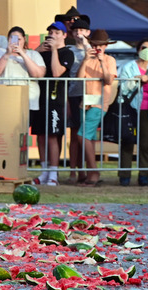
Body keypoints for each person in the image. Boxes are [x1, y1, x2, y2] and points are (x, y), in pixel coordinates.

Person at [117, 39, 148, 187]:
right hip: (130, 108)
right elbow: (123, 88)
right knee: (127, 142)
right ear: (138, 50)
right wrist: (137, 80)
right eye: (144, 48)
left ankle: (144, 176)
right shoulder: (129, 67)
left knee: (145, 145)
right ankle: (124, 177)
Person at [32, 21, 74, 186]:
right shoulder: (42, 52)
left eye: (56, 32)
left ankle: (53, 173)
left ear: (64, 35)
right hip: (39, 97)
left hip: (56, 99)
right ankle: (43, 172)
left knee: (52, 136)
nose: (52, 35)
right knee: (40, 136)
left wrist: (55, 49)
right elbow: (29, 67)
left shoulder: (66, 53)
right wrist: (36, 51)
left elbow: (57, 73)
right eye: (50, 32)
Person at [75, 30, 117, 187]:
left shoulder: (110, 60)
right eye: (94, 45)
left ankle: (93, 171)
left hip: (100, 103)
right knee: (88, 137)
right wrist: (86, 60)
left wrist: (102, 62)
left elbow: (108, 81)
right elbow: (79, 79)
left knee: (82, 135)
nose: (97, 48)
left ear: (106, 46)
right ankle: (91, 172)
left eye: (100, 45)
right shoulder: (87, 59)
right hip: (85, 102)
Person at [0, 26, 45, 130]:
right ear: (7, 40)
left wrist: (22, 53)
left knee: (22, 132)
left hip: (27, 101)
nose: (16, 42)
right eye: (12, 39)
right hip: (3, 101)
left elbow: (38, 74)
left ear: (24, 39)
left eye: (19, 39)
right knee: (3, 131)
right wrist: (7, 54)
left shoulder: (33, 54)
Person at [66, 17, 90, 184]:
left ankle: (87, 171)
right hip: (73, 95)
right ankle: (73, 170)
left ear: (88, 32)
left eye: (81, 30)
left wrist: (88, 45)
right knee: (75, 134)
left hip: (90, 95)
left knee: (87, 134)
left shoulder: (92, 49)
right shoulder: (69, 50)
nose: (78, 33)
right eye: (75, 31)